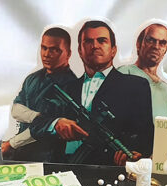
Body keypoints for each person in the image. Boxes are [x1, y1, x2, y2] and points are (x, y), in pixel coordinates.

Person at [30, 20, 154, 166]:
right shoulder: (65, 88)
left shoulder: (134, 86)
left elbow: (146, 135)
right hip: (63, 170)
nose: (95, 46)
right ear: (80, 51)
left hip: (109, 170)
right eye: (88, 41)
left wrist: (136, 154)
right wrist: (56, 124)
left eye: (102, 41)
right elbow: (36, 126)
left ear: (113, 50)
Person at [1, 27, 77, 161]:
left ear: (68, 54)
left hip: (47, 158)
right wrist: (38, 117)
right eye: (44, 48)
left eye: (55, 50)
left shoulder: (71, 85)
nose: (47, 54)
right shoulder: (33, 78)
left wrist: (11, 144)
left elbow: (45, 127)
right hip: (20, 153)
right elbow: (16, 109)